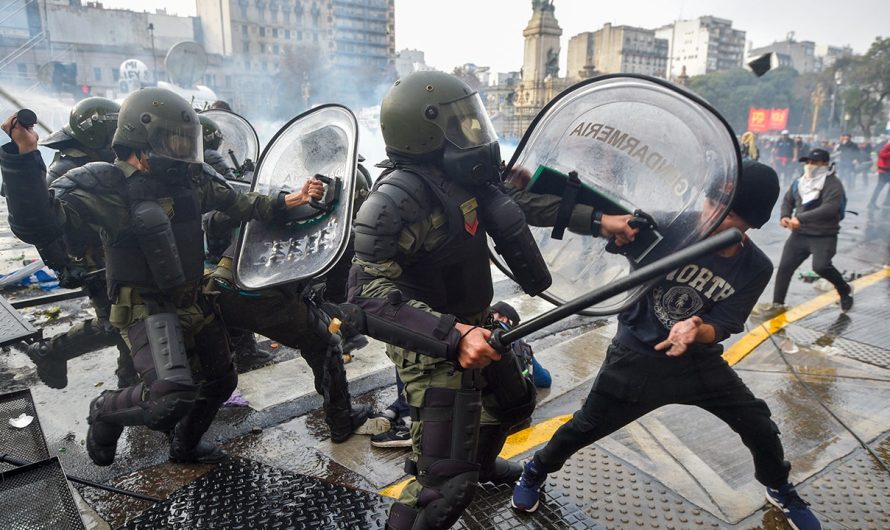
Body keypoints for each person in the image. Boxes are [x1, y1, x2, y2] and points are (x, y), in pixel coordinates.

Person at [347, 71, 637, 530]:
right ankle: (447, 478)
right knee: (443, 488)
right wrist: (455, 335)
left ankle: (478, 465)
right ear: (425, 131)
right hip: (429, 340)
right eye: (460, 121)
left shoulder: (464, 175)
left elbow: (521, 204)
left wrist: (601, 220)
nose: (475, 129)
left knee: (513, 401)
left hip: (474, 320)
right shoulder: (394, 201)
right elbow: (366, 297)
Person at [1, 87, 324, 466]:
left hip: (190, 295)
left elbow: (240, 202)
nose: (182, 151)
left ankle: (184, 446)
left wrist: (293, 199)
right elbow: (40, 222)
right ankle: (104, 410)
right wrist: (25, 157)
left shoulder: (191, 179)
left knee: (221, 380)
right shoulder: (105, 187)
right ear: (140, 142)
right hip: (143, 305)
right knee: (170, 396)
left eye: (186, 142)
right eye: (174, 142)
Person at [512, 161, 823, 530]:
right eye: (710, 203)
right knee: (585, 426)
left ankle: (778, 486)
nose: (712, 215)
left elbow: (726, 321)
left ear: (752, 223)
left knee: (758, 423)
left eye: (728, 214)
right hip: (634, 356)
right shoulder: (669, 226)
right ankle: (534, 470)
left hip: (699, 365)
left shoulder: (756, 266)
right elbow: (599, 216)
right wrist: (542, 185)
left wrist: (698, 328)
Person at [22, 97, 137, 389]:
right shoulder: (63, 169)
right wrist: (62, 264)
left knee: (131, 313)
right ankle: (51, 351)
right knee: (115, 322)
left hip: (115, 246)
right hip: (89, 256)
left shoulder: (102, 154)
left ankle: (131, 378)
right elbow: (44, 224)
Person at [753, 148, 852, 317]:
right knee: (784, 268)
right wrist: (785, 216)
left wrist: (801, 218)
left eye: (814, 162)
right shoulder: (800, 181)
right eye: (808, 162)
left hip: (824, 235)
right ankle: (778, 304)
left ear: (825, 164)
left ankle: (844, 289)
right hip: (799, 235)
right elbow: (788, 200)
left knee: (821, 267)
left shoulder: (832, 183)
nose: (810, 166)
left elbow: (830, 208)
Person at [490, 300, 551, 388]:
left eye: (491, 314)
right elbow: (545, 380)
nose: (487, 316)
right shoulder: (519, 343)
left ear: (503, 319)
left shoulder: (483, 330)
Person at [868, 138, 890, 209]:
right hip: (884, 169)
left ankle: (886, 202)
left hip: (888, 169)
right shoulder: (888, 145)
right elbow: (881, 154)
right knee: (879, 187)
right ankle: (871, 203)